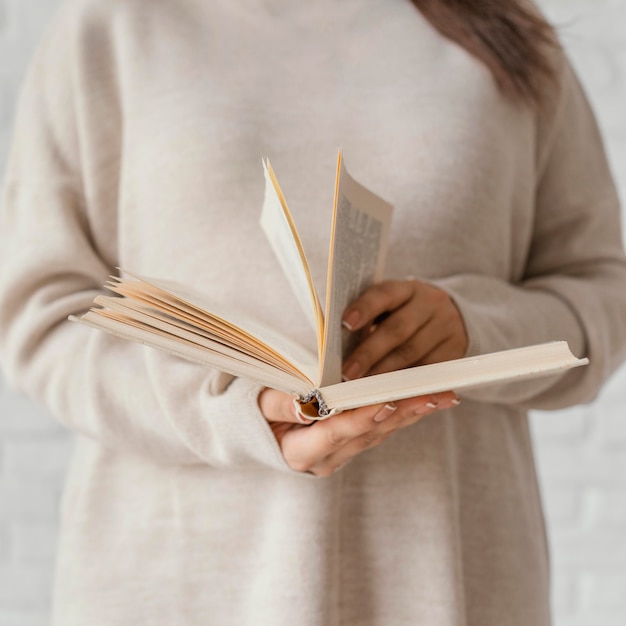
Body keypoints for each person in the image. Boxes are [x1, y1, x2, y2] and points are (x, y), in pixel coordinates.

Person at [1, 0, 625, 624]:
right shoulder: (110, 26)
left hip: (447, 585)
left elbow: (602, 294)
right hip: (172, 586)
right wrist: (229, 406)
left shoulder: (505, 31)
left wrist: (473, 328)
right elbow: (39, 313)